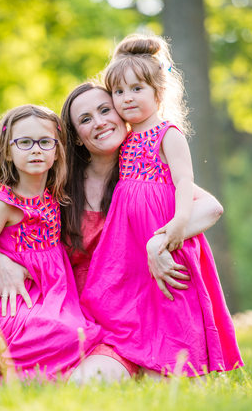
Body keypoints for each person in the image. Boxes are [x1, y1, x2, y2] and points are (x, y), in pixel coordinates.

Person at [0, 83, 227, 383]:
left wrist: (160, 242)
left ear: (120, 113)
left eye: (105, 110)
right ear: (75, 135)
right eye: (86, 119)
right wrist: (1, 261)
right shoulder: (58, 182)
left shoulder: (147, 170)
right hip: (75, 316)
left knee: (121, 384)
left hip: (136, 314)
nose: (100, 121)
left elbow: (210, 207)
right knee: (61, 381)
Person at [80, 34, 243, 378]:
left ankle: (181, 362)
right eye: (119, 92)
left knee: (171, 296)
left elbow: (184, 181)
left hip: (165, 229)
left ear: (159, 91)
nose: (127, 99)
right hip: (127, 241)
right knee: (129, 296)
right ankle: (132, 354)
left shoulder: (168, 133)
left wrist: (177, 226)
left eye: (137, 89)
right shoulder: (125, 138)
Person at [0, 105, 102, 384]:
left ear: (57, 151)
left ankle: (46, 375)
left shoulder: (57, 197)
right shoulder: (3, 206)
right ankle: (22, 374)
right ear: (8, 150)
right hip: (15, 299)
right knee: (49, 333)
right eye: (24, 142)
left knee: (76, 331)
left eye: (45, 142)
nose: (36, 150)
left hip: (56, 293)